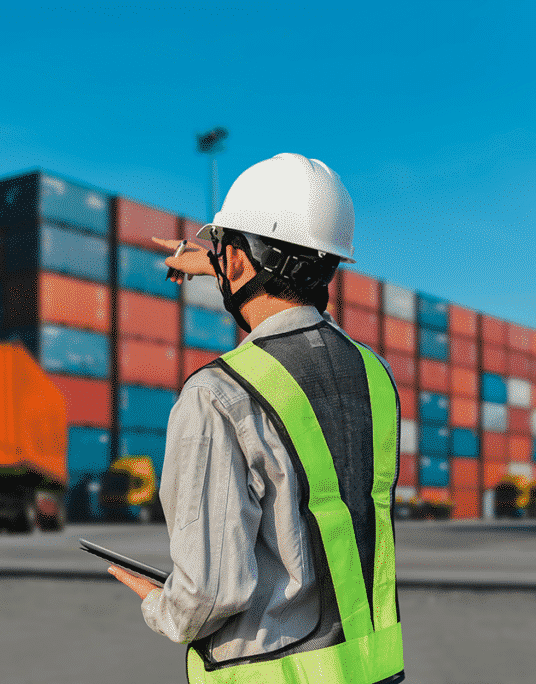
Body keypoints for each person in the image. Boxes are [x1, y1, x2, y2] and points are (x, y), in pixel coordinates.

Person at [108, 153, 404, 684]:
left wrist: (161, 604)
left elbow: (208, 594)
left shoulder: (217, 393)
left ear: (239, 262)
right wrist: (228, 260)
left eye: (225, 251)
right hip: (369, 669)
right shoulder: (375, 375)